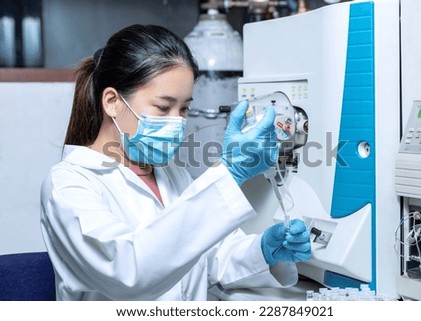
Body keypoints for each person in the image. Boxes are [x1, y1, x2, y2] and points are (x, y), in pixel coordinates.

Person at [40, 24, 311, 301]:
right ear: (112, 102)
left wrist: (264, 251)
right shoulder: (68, 184)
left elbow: (209, 259)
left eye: (184, 108)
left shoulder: (173, 174)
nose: (177, 121)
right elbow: (128, 271)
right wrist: (229, 173)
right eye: (162, 107)